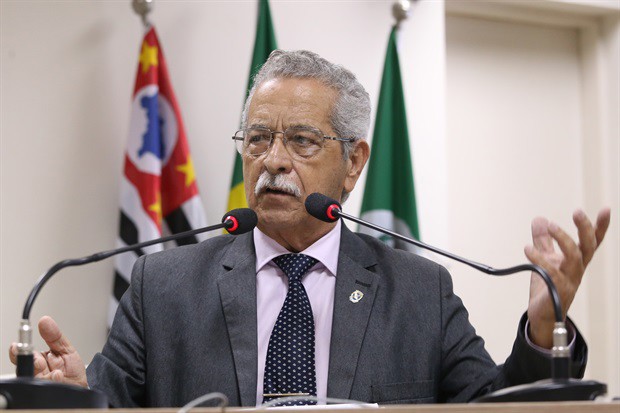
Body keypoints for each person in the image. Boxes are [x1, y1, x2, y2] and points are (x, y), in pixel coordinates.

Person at [9, 50, 611, 407]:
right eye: (258, 139)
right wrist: (73, 396)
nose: (272, 160)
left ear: (353, 163)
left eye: (301, 140)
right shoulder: (163, 286)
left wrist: (543, 329)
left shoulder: (419, 292)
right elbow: (109, 403)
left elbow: (494, 410)